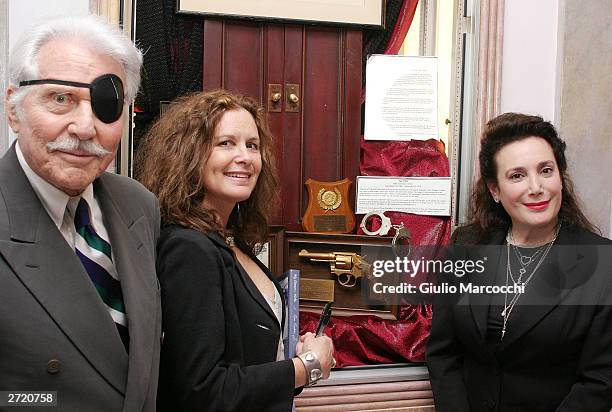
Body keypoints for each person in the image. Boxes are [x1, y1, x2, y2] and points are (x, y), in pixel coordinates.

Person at [137, 89, 335, 411]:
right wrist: (307, 367)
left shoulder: (231, 240)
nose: (244, 156)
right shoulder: (188, 249)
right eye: (225, 143)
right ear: (189, 154)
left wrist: (296, 363)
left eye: (252, 145)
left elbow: (249, 366)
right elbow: (203, 391)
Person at [0, 15, 161, 410]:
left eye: (107, 106)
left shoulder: (139, 207)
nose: (86, 127)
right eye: (61, 99)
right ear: (14, 108)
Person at [426, 113, 612, 411]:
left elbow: (599, 381)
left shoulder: (602, 262)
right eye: (517, 175)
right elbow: (443, 354)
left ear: (560, 178)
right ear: (495, 190)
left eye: (546, 170)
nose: (536, 186)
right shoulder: (467, 245)